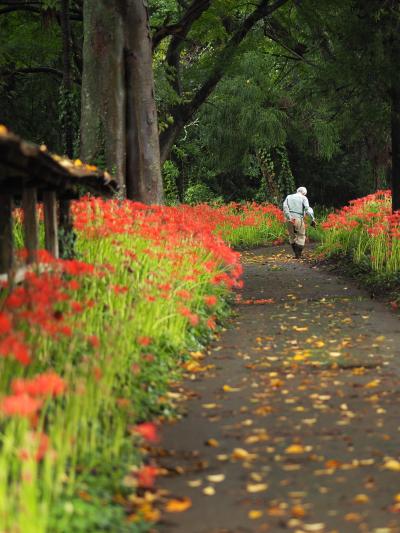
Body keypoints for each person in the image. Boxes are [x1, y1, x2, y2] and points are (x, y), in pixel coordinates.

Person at [283, 186, 316, 258]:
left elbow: (285, 207)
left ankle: (296, 254)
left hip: (289, 219)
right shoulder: (304, 198)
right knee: (301, 236)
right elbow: (307, 209)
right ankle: (298, 255)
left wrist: (289, 217)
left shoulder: (288, 197)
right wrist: (313, 219)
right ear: (304, 193)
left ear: (297, 191)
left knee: (291, 236)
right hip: (298, 219)